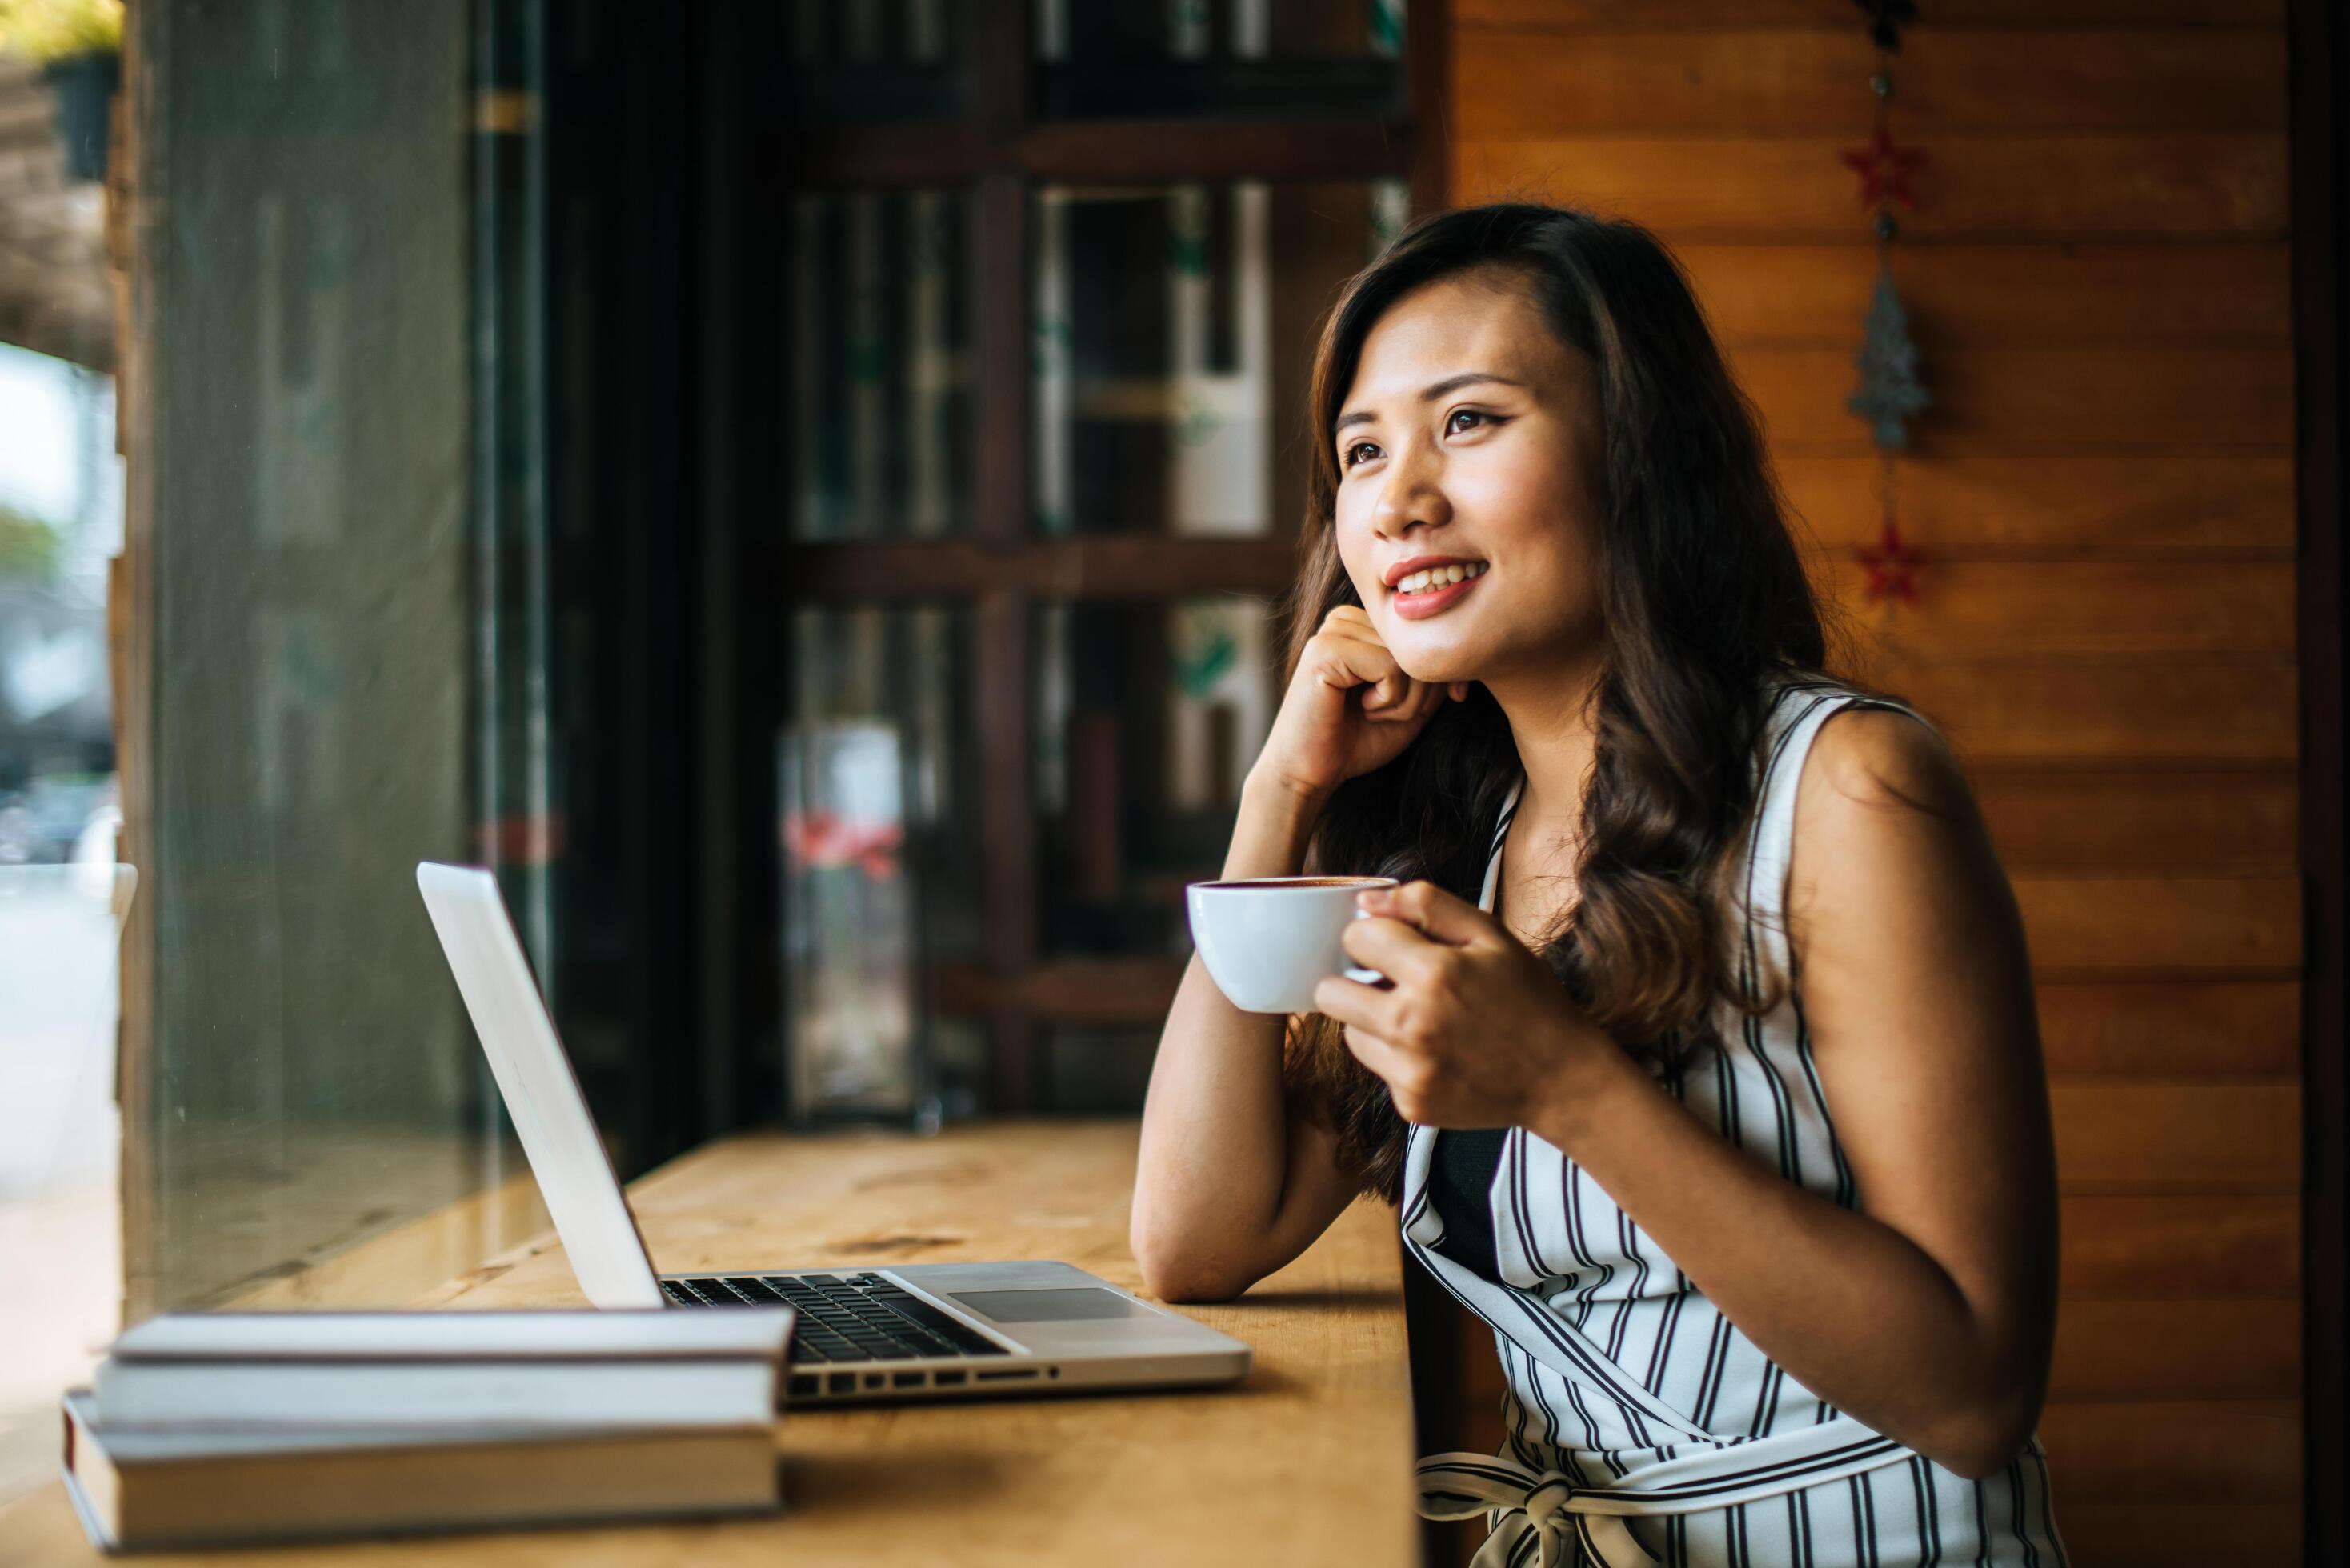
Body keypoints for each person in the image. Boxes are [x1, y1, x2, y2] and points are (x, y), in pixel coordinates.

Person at [1130, 202, 2068, 1567]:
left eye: (1469, 422)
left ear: (1637, 453)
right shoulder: (1458, 841)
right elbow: (1196, 1237)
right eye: (1360, 450)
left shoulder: (1850, 791)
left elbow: (1975, 1392)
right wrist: (1281, 791)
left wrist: (1567, 1089)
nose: (1394, 499)